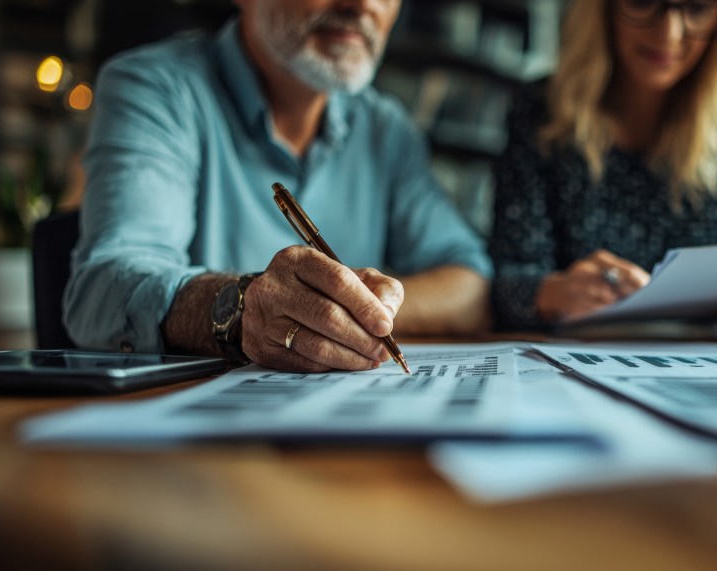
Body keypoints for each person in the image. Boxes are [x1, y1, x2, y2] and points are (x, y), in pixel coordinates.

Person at [64, 0, 492, 372]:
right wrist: (242, 308)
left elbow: (470, 285)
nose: (362, 4)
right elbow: (103, 290)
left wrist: (349, 314)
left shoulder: (387, 129)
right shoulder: (152, 88)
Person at [490, 0, 717, 342]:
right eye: (644, 2)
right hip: (569, 358)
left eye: (697, 8)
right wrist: (551, 293)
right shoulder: (542, 110)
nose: (668, 34)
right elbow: (505, 280)